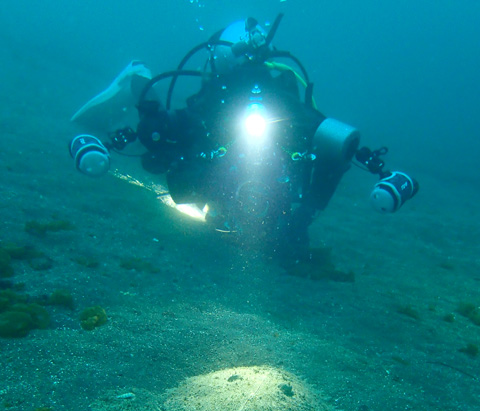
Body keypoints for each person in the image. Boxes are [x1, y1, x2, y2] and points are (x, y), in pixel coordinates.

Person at [70, 14, 418, 268]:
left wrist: (303, 217)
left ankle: (141, 86)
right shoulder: (214, 103)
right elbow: (170, 132)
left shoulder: (288, 108)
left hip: (262, 201)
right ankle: (138, 79)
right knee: (159, 140)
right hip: (216, 177)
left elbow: (335, 148)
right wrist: (151, 129)